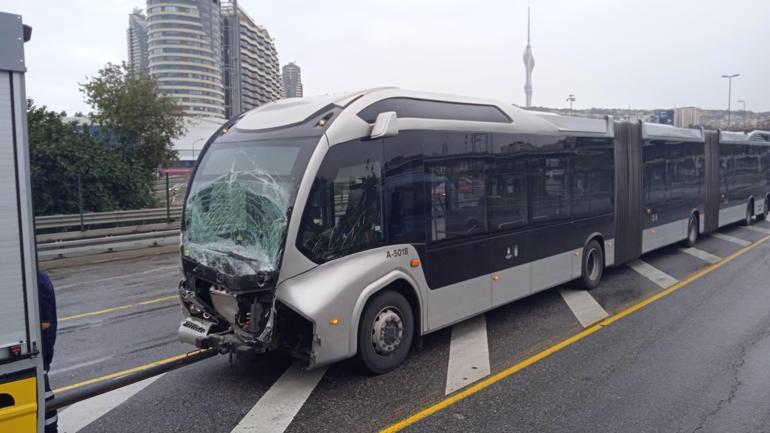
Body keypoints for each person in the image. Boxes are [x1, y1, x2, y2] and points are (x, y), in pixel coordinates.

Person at [38, 270, 58, 433]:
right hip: (42, 353)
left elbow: (45, 323)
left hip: (39, 354)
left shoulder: (36, 280)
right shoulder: (39, 277)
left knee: (45, 403)